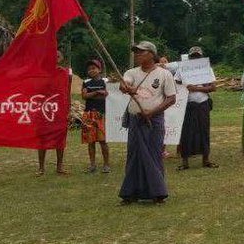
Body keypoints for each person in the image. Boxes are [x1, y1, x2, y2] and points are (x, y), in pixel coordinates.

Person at [119, 41, 177, 205]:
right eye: (136, 52)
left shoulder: (164, 74)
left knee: (153, 154)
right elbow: (125, 84)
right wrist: (126, 87)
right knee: (134, 155)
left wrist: (152, 112)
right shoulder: (131, 72)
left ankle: (157, 192)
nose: (137, 55)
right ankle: (130, 193)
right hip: (136, 120)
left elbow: (171, 98)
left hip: (154, 120)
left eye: (141, 52)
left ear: (152, 54)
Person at [176, 46, 217, 170]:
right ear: (189, 57)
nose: (195, 58)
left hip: (202, 103)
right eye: (193, 56)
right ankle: (185, 162)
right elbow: (176, 83)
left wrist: (197, 88)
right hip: (187, 104)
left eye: (197, 56)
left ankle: (206, 159)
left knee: (204, 130)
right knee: (186, 132)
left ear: (201, 57)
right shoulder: (182, 69)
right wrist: (185, 86)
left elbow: (213, 87)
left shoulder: (207, 69)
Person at [37, 50, 68, 176]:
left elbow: (67, 91)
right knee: (42, 140)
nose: (56, 57)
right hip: (43, 110)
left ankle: (59, 166)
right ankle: (41, 167)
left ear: (61, 58)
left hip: (59, 111)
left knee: (60, 139)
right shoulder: (41, 73)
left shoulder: (65, 73)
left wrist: (68, 108)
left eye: (58, 56)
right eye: (53, 55)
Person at [80, 58, 111, 173]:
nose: (91, 71)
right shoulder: (86, 82)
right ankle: (92, 164)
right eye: (89, 69)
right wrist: (97, 92)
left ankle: (106, 164)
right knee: (90, 141)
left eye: (94, 68)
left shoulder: (106, 81)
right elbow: (84, 96)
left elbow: (108, 94)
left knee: (103, 141)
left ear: (100, 69)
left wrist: (92, 94)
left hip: (101, 114)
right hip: (88, 114)